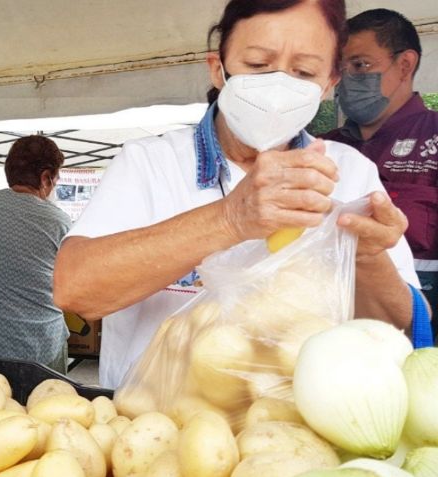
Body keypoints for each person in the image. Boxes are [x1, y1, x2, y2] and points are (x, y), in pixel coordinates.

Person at [53, 0, 432, 389]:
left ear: (328, 86)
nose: (280, 87)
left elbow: (402, 325)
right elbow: (75, 289)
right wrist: (230, 218)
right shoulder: (152, 162)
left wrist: (366, 259)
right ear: (218, 69)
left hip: (297, 434)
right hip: (151, 432)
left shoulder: (349, 173)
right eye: (257, 65)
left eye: (303, 72)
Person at [322, 9, 438, 330]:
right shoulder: (322, 147)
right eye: (340, 69)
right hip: (325, 320)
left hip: (418, 323)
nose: (346, 79)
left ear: (404, 65)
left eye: (360, 65)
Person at [0, 135, 72, 374]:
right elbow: (72, 287)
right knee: (46, 407)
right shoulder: (58, 221)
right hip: (42, 344)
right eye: (56, 180)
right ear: (45, 178)